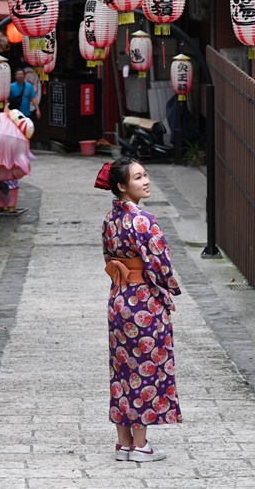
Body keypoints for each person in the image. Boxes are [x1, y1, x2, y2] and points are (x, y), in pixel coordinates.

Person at [95, 157, 181, 463]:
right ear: (121, 186)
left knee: (121, 369)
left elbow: (107, 256)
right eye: (138, 177)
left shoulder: (110, 219)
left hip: (118, 297)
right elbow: (162, 264)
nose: (145, 181)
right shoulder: (143, 220)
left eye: (145, 175)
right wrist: (169, 287)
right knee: (144, 368)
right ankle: (142, 445)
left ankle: (124, 444)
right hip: (143, 299)